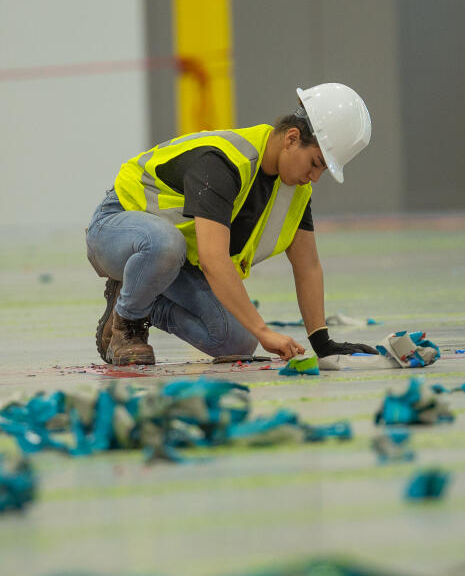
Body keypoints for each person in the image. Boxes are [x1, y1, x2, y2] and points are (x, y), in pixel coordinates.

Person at [87, 82, 377, 367]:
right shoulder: (224, 163)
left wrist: (322, 342)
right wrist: (264, 331)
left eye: (323, 170)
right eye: (316, 163)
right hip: (116, 230)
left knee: (235, 341)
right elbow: (214, 259)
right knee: (164, 242)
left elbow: (308, 266)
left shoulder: (295, 191)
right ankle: (125, 326)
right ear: (291, 138)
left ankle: (140, 299)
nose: (314, 177)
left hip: (174, 259)